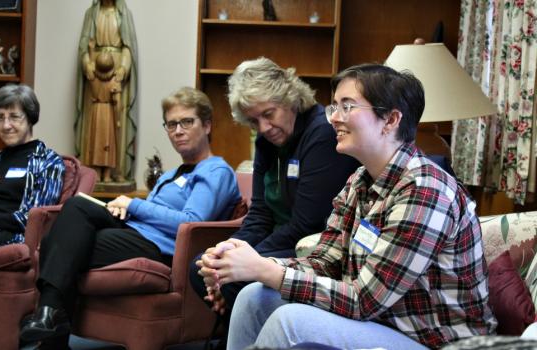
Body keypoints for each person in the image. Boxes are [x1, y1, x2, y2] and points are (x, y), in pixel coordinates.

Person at [199, 64, 497, 350]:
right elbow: (325, 262)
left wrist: (265, 269)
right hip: (384, 322)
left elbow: (364, 300)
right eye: (335, 107)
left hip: (435, 341)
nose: (334, 118)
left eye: (347, 106)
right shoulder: (359, 181)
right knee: (254, 297)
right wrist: (246, 262)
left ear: (391, 120)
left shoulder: (426, 191)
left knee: (290, 320)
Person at [20, 87, 241, 349]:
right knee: (77, 207)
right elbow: (149, 213)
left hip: (160, 248)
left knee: (61, 244)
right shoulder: (171, 174)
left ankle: (51, 327)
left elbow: (190, 220)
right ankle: (50, 319)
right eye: (171, 124)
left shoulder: (216, 170)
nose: (178, 130)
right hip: (134, 232)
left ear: (206, 125)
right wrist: (125, 209)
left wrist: (134, 204)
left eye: (187, 122)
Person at [189, 57, 360, 346]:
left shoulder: (321, 133)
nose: (265, 127)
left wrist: (244, 261)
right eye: (254, 120)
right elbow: (259, 215)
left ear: (290, 98)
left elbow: (306, 224)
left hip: (311, 246)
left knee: (234, 275)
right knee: (203, 266)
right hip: (278, 242)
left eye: (269, 113)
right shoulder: (266, 141)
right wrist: (226, 250)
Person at [0, 84, 65, 255]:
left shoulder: (48, 162)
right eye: (0, 117)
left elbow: (35, 219)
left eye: (14, 117)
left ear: (30, 118)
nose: (6, 125)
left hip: (10, 234)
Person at [75, 0, 137, 183]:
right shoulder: (91, 13)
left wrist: (123, 69)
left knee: (115, 122)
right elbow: (83, 45)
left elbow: (128, 47)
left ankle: (116, 170)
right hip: (95, 70)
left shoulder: (123, 14)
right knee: (94, 121)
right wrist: (87, 64)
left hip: (116, 70)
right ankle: (91, 172)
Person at [84, 51, 122, 182]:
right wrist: (117, 119)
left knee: (96, 141)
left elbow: (88, 63)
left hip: (96, 111)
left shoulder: (92, 78)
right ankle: (106, 175)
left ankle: (97, 173)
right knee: (108, 142)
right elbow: (117, 103)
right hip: (109, 112)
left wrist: (91, 49)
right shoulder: (115, 82)